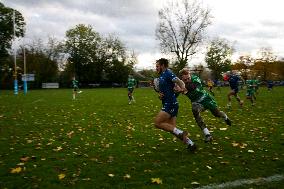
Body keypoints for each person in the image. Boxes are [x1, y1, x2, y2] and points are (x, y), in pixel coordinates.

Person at [177, 68, 231, 143]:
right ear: (182, 78)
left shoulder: (195, 78)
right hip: (196, 102)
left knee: (217, 114)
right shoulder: (181, 84)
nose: (187, 80)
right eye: (185, 80)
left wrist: (182, 89)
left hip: (206, 99)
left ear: (190, 75)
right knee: (195, 111)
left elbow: (193, 86)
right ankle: (207, 134)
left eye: (188, 78)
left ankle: (225, 117)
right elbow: (175, 94)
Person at [154, 58, 196, 151]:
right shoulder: (162, 76)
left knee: (157, 123)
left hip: (170, 104)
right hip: (169, 102)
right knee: (173, 129)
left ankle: (181, 133)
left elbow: (180, 81)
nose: (156, 68)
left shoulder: (168, 73)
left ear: (163, 66)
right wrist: (161, 95)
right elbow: (166, 90)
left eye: (157, 66)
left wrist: (183, 88)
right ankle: (191, 143)